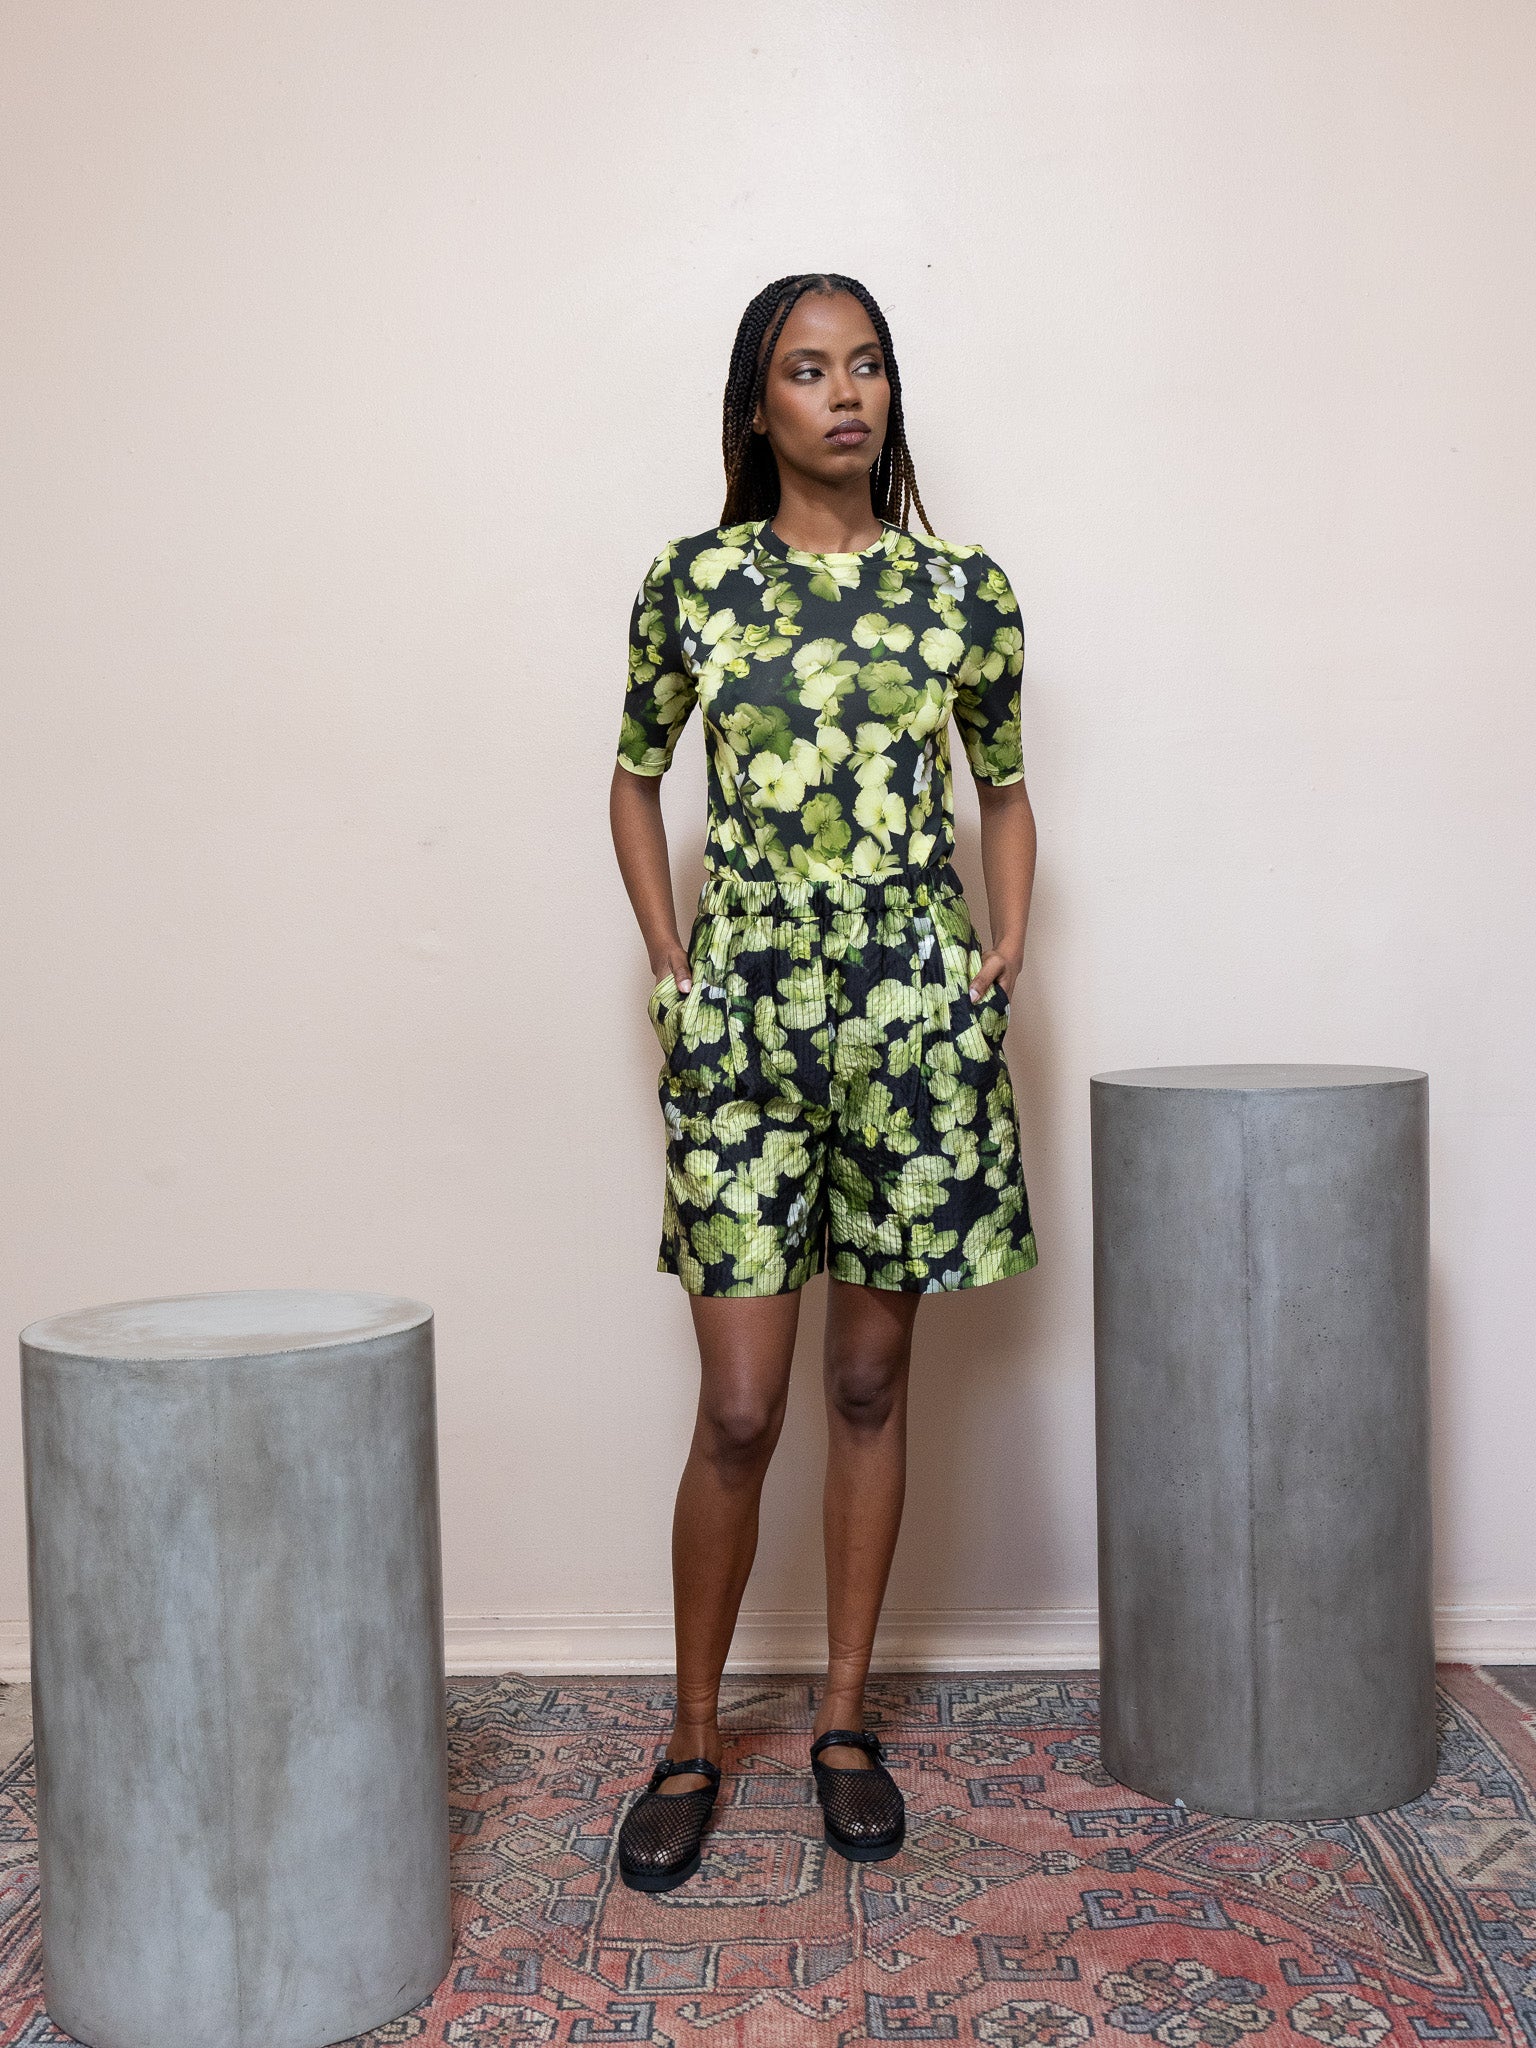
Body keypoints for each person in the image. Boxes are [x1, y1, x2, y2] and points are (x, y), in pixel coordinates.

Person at [608, 271, 1039, 1892]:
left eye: (866, 365)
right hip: (749, 1020)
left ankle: (846, 1722)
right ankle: (691, 1739)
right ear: (758, 405)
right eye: (808, 369)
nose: (844, 393)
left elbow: (1004, 790)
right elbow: (632, 782)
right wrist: (675, 966)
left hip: (912, 1020)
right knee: (741, 1407)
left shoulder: (963, 593)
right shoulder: (695, 584)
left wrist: (1005, 945)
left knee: (866, 1384)